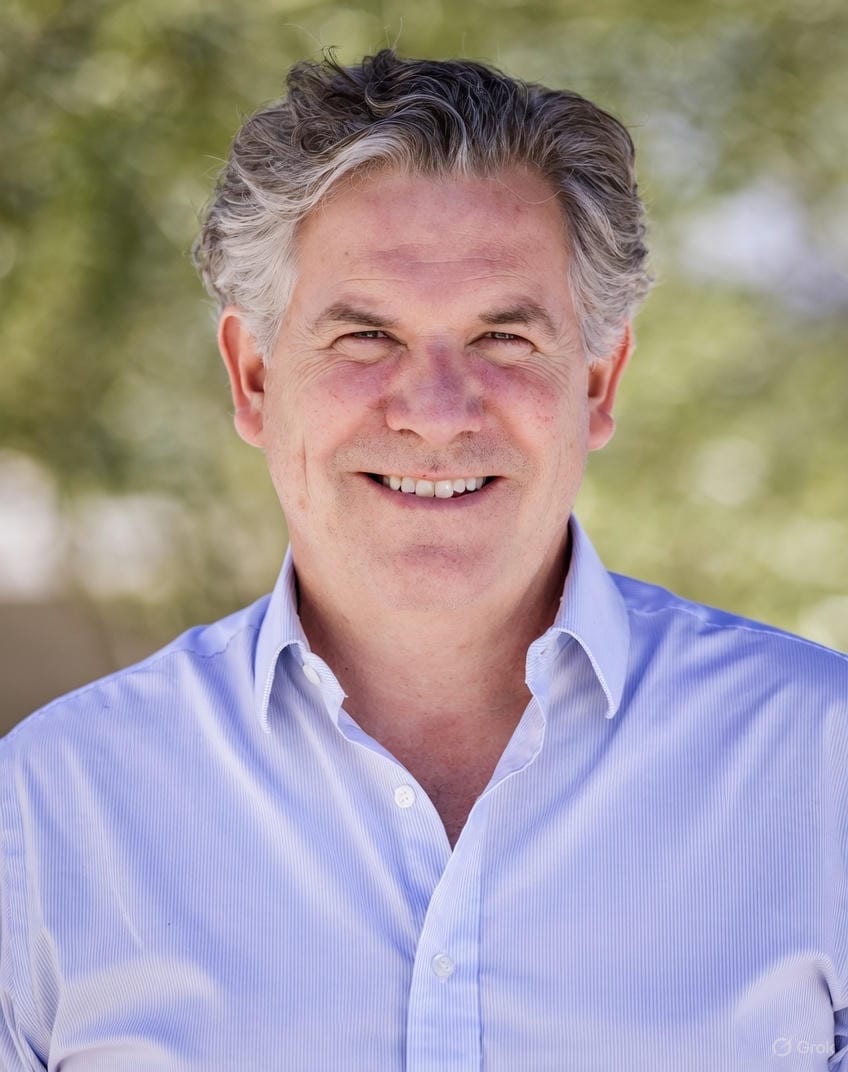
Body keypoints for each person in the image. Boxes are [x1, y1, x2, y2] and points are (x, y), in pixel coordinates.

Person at [1, 49, 846, 1072]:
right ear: (255, 376)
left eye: (501, 337)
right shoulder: (47, 811)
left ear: (597, 381)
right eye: (365, 335)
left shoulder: (820, 766)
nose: (436, 413)